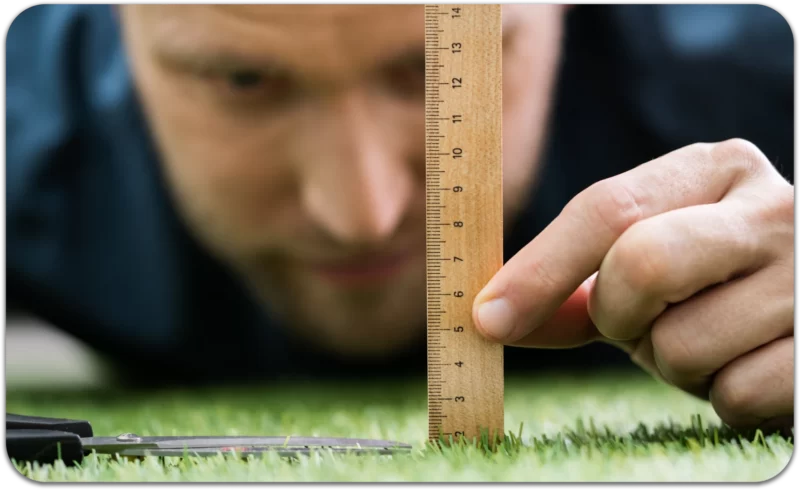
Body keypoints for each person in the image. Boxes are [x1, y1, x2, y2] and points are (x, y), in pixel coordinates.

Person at [4, 3, 795, 433]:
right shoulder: (18, 112)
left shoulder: (768, 72)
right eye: (242, 80)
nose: (361, 217)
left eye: (428, 67)